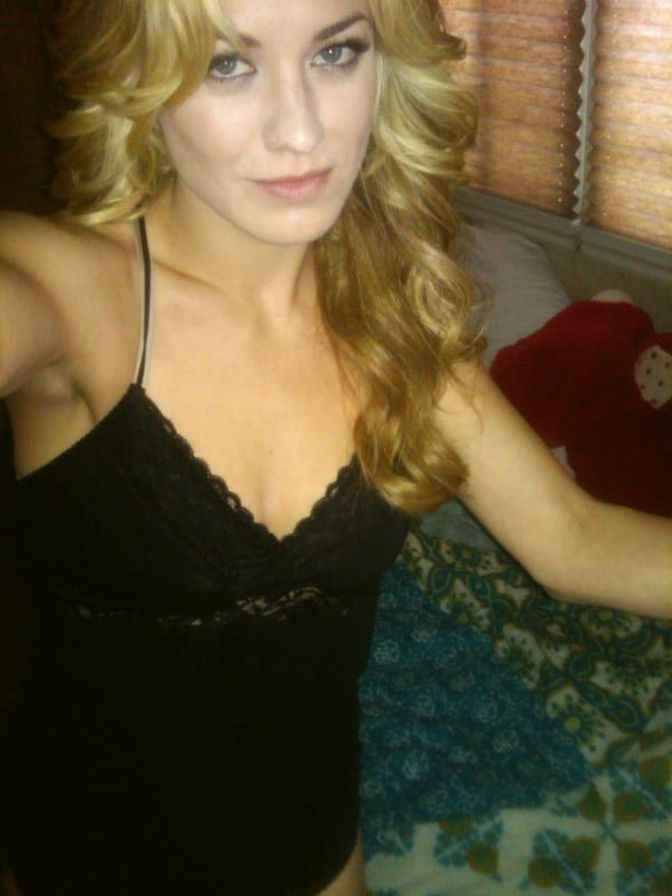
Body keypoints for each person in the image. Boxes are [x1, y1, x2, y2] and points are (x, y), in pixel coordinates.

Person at [0, 0, 669, 893]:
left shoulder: (393, 329)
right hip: (79, 859)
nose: (301, 129)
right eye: (227, 65)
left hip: (315, 853)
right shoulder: (64, 291)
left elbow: (576, 542)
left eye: (336, 53)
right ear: (143, 83)